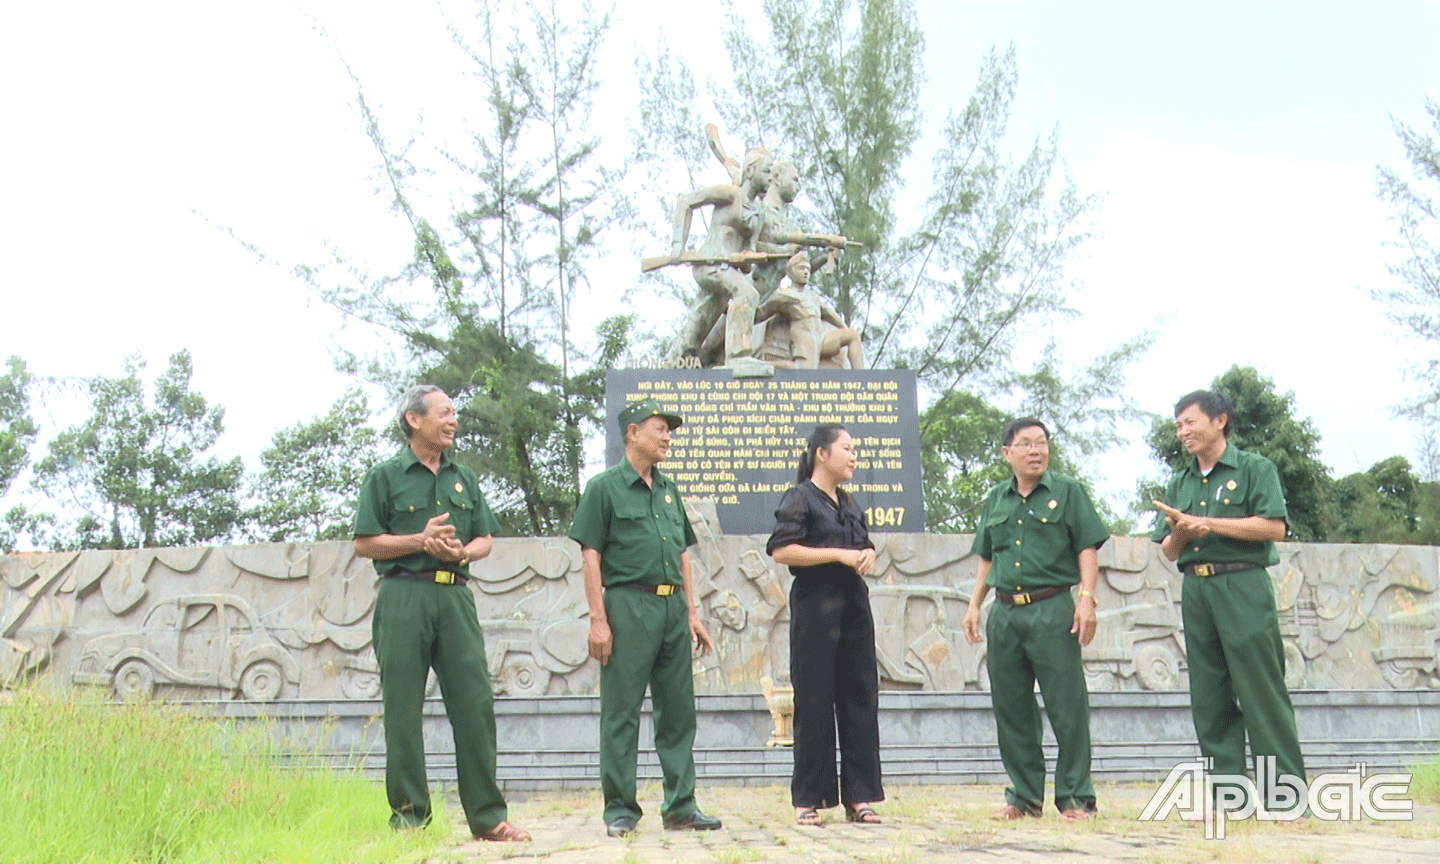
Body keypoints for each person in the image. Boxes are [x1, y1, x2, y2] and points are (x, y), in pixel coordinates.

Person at [352, 385, 530, 842]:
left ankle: (488, 818)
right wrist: (418, 541)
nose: (454, 420)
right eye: (445, 412)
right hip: (402, 596)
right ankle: (411, 819)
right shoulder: (385, 476)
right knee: (403, 709)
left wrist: (462, 553)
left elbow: (485, 539)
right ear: (415, 419)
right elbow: (365, 542)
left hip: (455, 597)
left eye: (455, 413)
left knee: (475, 705)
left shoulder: (463, 478)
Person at [567, 397, 722, 837]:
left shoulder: (669, 490)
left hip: (672, 607)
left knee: (678, 712)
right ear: (632, 433)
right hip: (627, 605)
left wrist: (691, 612)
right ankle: (620, 809)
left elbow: (682, 555)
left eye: (669, 430)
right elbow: (590, 554)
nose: (667, 437)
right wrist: (598, 618)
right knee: (621, 711)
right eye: (659, 428)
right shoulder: (604, 487)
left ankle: (681, 806)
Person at [1151, 390, 1307, 814]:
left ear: (1219, 421)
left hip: (1242, 585)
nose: (1183, 431)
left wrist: (1209, 523)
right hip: (1196, 590)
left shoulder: (1255, 468)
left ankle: (1286, 800)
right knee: (1210, 696)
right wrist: (1182, 531)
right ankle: (1230, 800)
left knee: (1261, 693)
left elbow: (1274, 527)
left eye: (1190, 422)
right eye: (1179, 424)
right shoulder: (1180, 481)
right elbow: (1168, 550)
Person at [961, 418, 1106, 822]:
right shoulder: (996, 498)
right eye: (1025, 444)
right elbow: (987, 557)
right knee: (1012, 708)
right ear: (1007, 453)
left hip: (1052, 609)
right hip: (1004, 613)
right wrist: (974, 605)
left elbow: (1087, 548)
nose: (1035, 451)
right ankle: (1023, 797)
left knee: (1067, 706)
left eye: (1041, 443)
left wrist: (1087, 599)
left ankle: (1076, 797)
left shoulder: (1068, 492)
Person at [766, 423, 884, 827]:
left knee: (860, 696)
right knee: (814, 699)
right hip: (816, 606)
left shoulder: (849, 502)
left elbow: (861, 545)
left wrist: (866, 552)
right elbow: (782, 550)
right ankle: (809, 798)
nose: (853, 456)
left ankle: (860, 796)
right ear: (821, 453)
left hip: (853, 605)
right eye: (846, 448)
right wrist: (838, 554)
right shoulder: (800, 497)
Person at [756, 251, 864, 369]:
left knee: (853, 335)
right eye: (802, 268)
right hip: (804, 335)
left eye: (808, 269)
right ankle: (763, 365)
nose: (806, 272)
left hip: (821, 335)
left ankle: (862, 380)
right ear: (791, 271)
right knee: (803, 370)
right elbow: (762, 313)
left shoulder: (813, 296)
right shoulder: (783, 294)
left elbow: (828, 314)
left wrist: (845, 328)